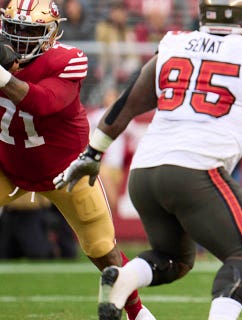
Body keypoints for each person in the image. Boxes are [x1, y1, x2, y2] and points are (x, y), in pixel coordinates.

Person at [53, 1, 242, 319]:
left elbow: (129, 102)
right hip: (196, 170)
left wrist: (93, 152)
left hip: (145, 171)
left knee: (174, 258)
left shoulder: (176, 43)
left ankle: (125, 278)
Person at [0, 1, 155, 319]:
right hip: (7, 164)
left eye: (27, 32)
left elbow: (41, 102)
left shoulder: (68, 60)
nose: (17, 38)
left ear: (50, 34)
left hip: (65, 171)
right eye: (13, 29)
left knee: (102, 249)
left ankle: (138, 312)